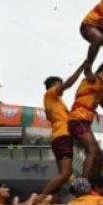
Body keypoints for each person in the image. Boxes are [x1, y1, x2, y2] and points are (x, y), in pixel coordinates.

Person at [40, 63, 86, 197]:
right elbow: (68, 83)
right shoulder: (50, 94)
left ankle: (51, 200)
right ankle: (41, 197)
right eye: (59, 85)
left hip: (61, 137)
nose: (62, 88)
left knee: (64, 176)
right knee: (66, 173)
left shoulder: (56, 102)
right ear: (53, 86)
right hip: (62, 136)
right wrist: (81, 68)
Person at [67, 64, 103, 177]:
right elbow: (87, 71)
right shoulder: (92, 79)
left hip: (85, 122)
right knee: (92, 150)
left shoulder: (102, 87)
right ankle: (84, 184)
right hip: (77, 119)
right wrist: (87, 64)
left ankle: (95, 185)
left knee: (99, 155)